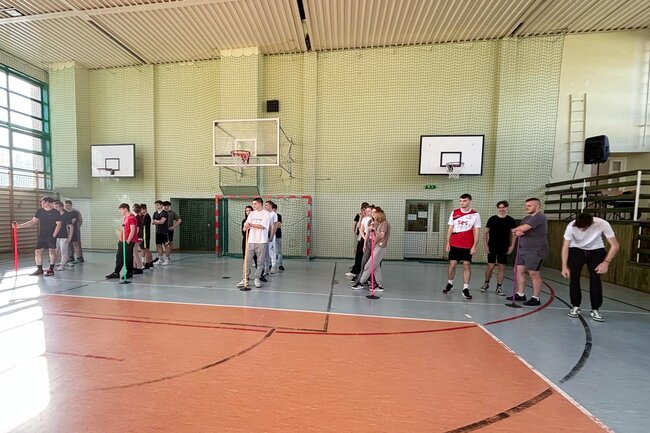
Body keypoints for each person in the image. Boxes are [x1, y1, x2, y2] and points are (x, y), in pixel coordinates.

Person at [561, 213, 619, 322]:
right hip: (576, 250)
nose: (582, 230)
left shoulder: (602, 224)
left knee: (595, 279)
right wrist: (564, 266)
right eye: (579, 227)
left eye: (584, 227)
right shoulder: (571, 226)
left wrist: (606, 262)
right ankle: (575, 306)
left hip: (596, 251)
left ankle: (595, 309)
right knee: (574, 278)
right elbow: (565, 247)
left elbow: (615, 245)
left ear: (591, 224)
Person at [507, 198, 549, 306]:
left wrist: (514, 230)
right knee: (518, 271)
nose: (526, 207)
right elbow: (518, 232)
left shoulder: (539, 217)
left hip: (536, 250)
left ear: (537, 206)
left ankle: (536, 298)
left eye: (529, 206)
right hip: (523, 249)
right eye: (526, 205)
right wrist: (516, 233)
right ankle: (520, 294)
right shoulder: (526, 218)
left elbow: (523, 228)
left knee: (533, 273)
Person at [443, 193, 481, 300]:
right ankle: (450, 283)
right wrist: (448, 242)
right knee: (452, 264)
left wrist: (474, 245)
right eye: (460, 201)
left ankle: (465, 288)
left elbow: (477, 231)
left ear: (470, 201)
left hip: (467, 244)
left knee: (466, 265)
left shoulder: (475, 214)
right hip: (455, 243)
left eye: (464, 201)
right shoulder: (454, 213)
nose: (462, 203)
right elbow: (450, 229)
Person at [16, 196, 62, 276]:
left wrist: (53, 235)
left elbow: (59, 225)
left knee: (51, 251)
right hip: (42, 235)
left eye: (44, 202)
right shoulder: (40, 211)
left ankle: (51, 269)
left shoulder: (55, 212)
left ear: (49, 203)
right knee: (37, 251)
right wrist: (19, 226)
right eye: (41, 202)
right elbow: (33, 221)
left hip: (51, 235)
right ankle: (39, 269)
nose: (42, 204)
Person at [480, 200, 516, 295]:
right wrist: (486, 245)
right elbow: (485, 233)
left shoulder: (511, 220)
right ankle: (486, 283)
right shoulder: (492, 219)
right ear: (497, 209)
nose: (501, 209)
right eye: (499, 207)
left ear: (506, 208)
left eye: (503, 207)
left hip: (504, 246)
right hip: (492, 245)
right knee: (490, 266)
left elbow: (513, 235)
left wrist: (512, 246)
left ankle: (499, 287)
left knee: (501, 267)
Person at [352, 209, 390, 291]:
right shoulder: (377, 223)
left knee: (368, 266)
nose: (373, 215)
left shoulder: (384, 224)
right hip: (376, 246)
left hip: (380, 247)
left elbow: (381, 235)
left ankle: (361, 282)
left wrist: (374, 230)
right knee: (376, 267)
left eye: (375, 214)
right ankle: (380, 285)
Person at [237, 197, 270, 289]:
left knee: (260, 262)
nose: (253, 205)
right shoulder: (252, 213)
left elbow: (262, 226)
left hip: (261, 241)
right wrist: (245, 226)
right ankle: (245, 279)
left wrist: (250, 225)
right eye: (253, 203)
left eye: (255, 203)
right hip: (251, 241)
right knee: (247, 261)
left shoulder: (266, 214)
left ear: (260, 203)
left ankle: (257, 278)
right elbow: (246, 224)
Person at [105, 203, 138, 279]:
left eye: (121, 210)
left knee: (128, 257)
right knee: (119, 256)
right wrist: (121, 238)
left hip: (128, 241)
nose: (120, 211)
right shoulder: (125, 218)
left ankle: (129, 272)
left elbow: (133, 231)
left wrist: (128, 241)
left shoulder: (131, 218)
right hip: (122, 240)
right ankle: (116, 272)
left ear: (125, 209)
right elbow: (123, 228)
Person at [53, 200, 75, 271]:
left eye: (57, 207)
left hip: (64, 236)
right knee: (55, 251)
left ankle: (62, 265)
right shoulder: (54, 215)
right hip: (56, 236)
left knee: (63, 251)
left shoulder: (66, 215)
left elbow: (71, 227)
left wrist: (70, 237)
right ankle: (55, 264)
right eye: (54, 207)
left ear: (61, 207)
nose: (55, 208)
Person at [152, 200, 169, 265]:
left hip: (164, 231)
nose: (156, 206)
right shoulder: (155, 213)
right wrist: (158, 221)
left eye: (158, 205)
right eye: (156, 205)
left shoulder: (165, 213)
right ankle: (160, 259)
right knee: (158, 245)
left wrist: (156, 221)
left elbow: (162, 222)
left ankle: (167, 259)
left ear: (161, 205)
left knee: (166, 245)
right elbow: (153, 222)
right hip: (157, 232)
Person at [263, 200, 278, 275]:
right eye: (265, 205)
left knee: (271, 251)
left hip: (271, 235)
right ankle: (266, 269)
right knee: (265, 252)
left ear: (270, 206)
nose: (265, 206)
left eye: (266, 205)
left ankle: (273, 267)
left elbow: (275, 226)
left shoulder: (274, 214)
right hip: (264, 235)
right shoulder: (265, 214)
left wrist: (271, 235)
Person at [139, 203, 153, 269]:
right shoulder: (142, 216)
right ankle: (143, 262)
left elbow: (142, 224)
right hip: (142, 235)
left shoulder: (147, 216)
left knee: (147, 249)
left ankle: (149, 263)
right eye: (140, 210)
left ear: (145, 209)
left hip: (145, 235)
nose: (141, 211)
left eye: (142, 210)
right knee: (142, 249)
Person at [272, 202, 284, 271]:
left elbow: (278, 225)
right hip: (270, 235)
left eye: (274, 209)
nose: (273, 210)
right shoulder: (268, 215)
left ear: (276, 209)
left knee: (279, 251)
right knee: (271, 251)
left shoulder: (278, 216)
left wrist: (272, 225)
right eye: (272, 208)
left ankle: (280, 265)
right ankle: (271, 264)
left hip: (278, 235)